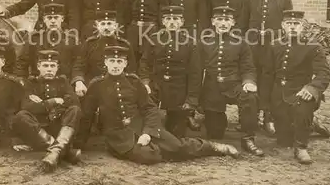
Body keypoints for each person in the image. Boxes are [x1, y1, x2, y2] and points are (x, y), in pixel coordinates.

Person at [76, 46, 240, 165]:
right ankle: (161, 150)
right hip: (118, 134)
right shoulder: (97, 85)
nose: (116, 65)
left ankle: (214, 147)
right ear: (106, 62)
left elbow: (149, 109)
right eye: (112, 61)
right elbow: (87, 115)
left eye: (120, 61)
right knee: (147, 157)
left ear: (125, 63)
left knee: (177, 146)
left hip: (142, 125)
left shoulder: (134, 82)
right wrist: (79, 143)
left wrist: (148, 132)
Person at [264, 10, 330, 164]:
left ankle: (301, 146)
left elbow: (324, 73)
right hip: (279, 94)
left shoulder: (313, 47)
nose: (292, 27)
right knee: (283, 141)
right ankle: (310, 124)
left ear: (303, 26)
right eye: (289, 24)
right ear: (283, 26)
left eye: (296, 24)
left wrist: (311, 89)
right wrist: (266, 104)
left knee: (303, 109)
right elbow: (267, 74)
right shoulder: (275, 45)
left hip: (301, 92)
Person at [199, 6, 264, 156]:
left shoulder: (241, 43)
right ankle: (218, 121)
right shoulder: (204, 42)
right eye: (219, 19)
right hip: (212, 87)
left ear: (233, 22)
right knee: (215, 134)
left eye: (227, 20)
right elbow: (196, 69)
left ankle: (248, 138)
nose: (223, 23)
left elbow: (248, 68)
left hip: (233, 85)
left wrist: (249, 82)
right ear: (213, 22)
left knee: (250, 97)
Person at [12, 50, 82, 171]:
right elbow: (27, 107)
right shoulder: (31, 83)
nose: (49, 69)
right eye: (45, 65)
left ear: (57, 67)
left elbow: (74, 102)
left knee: (75, 110)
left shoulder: (63, 82)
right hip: (39, 130)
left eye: (52, 66)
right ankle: (61, 150)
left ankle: (54, 152)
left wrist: (43, 105)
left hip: (59, 128)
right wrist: (53, 101)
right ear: (38, 66)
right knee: (21, 116)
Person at [244, 0, 293, 135]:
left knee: (270, 80)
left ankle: (268, 116)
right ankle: (252, 115)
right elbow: (243, 25)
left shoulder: (284, 0)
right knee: (253, 78)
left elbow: (288, 26)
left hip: (274, 48)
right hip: (253, 47)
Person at [139, 6, 201, 138]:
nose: (172, 22)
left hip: (178, 91)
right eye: (168, 19)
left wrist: (191, 99)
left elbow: (195, 73)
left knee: (176, 134)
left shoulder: (190, 42)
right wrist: (145, 83)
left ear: (182, 22)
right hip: (157, 88)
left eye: (176, 19)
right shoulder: (154, 39)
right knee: (152, 129)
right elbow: (144, 62)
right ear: (163, 21)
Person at [71, 10, 136, 98]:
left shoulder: (124, 45)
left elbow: (131, 70)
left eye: (109, 23)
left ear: (116, 26)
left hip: (118, 85)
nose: (106, 27)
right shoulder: (89, 44)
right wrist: (79, 81)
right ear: (97, 26)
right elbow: (79, 66)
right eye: (103, 24)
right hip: (93, 85)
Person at [15, 3, 79, 78]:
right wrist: (22, 82)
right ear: (44, 19)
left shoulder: (71, 40)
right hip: (38, 84)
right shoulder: (34, 39)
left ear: (62, 19)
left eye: (56, 18)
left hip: (63, 84)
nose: (53, 21)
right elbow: (21, 64)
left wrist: (76, 81)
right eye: (49, 18)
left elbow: (77, 65)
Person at [122, 0, 168, 67]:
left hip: (151, 30)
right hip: (134, 30)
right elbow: (126, 16)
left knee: (149, 56)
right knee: (132, 56)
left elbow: (162, 17)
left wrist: (160, 32)